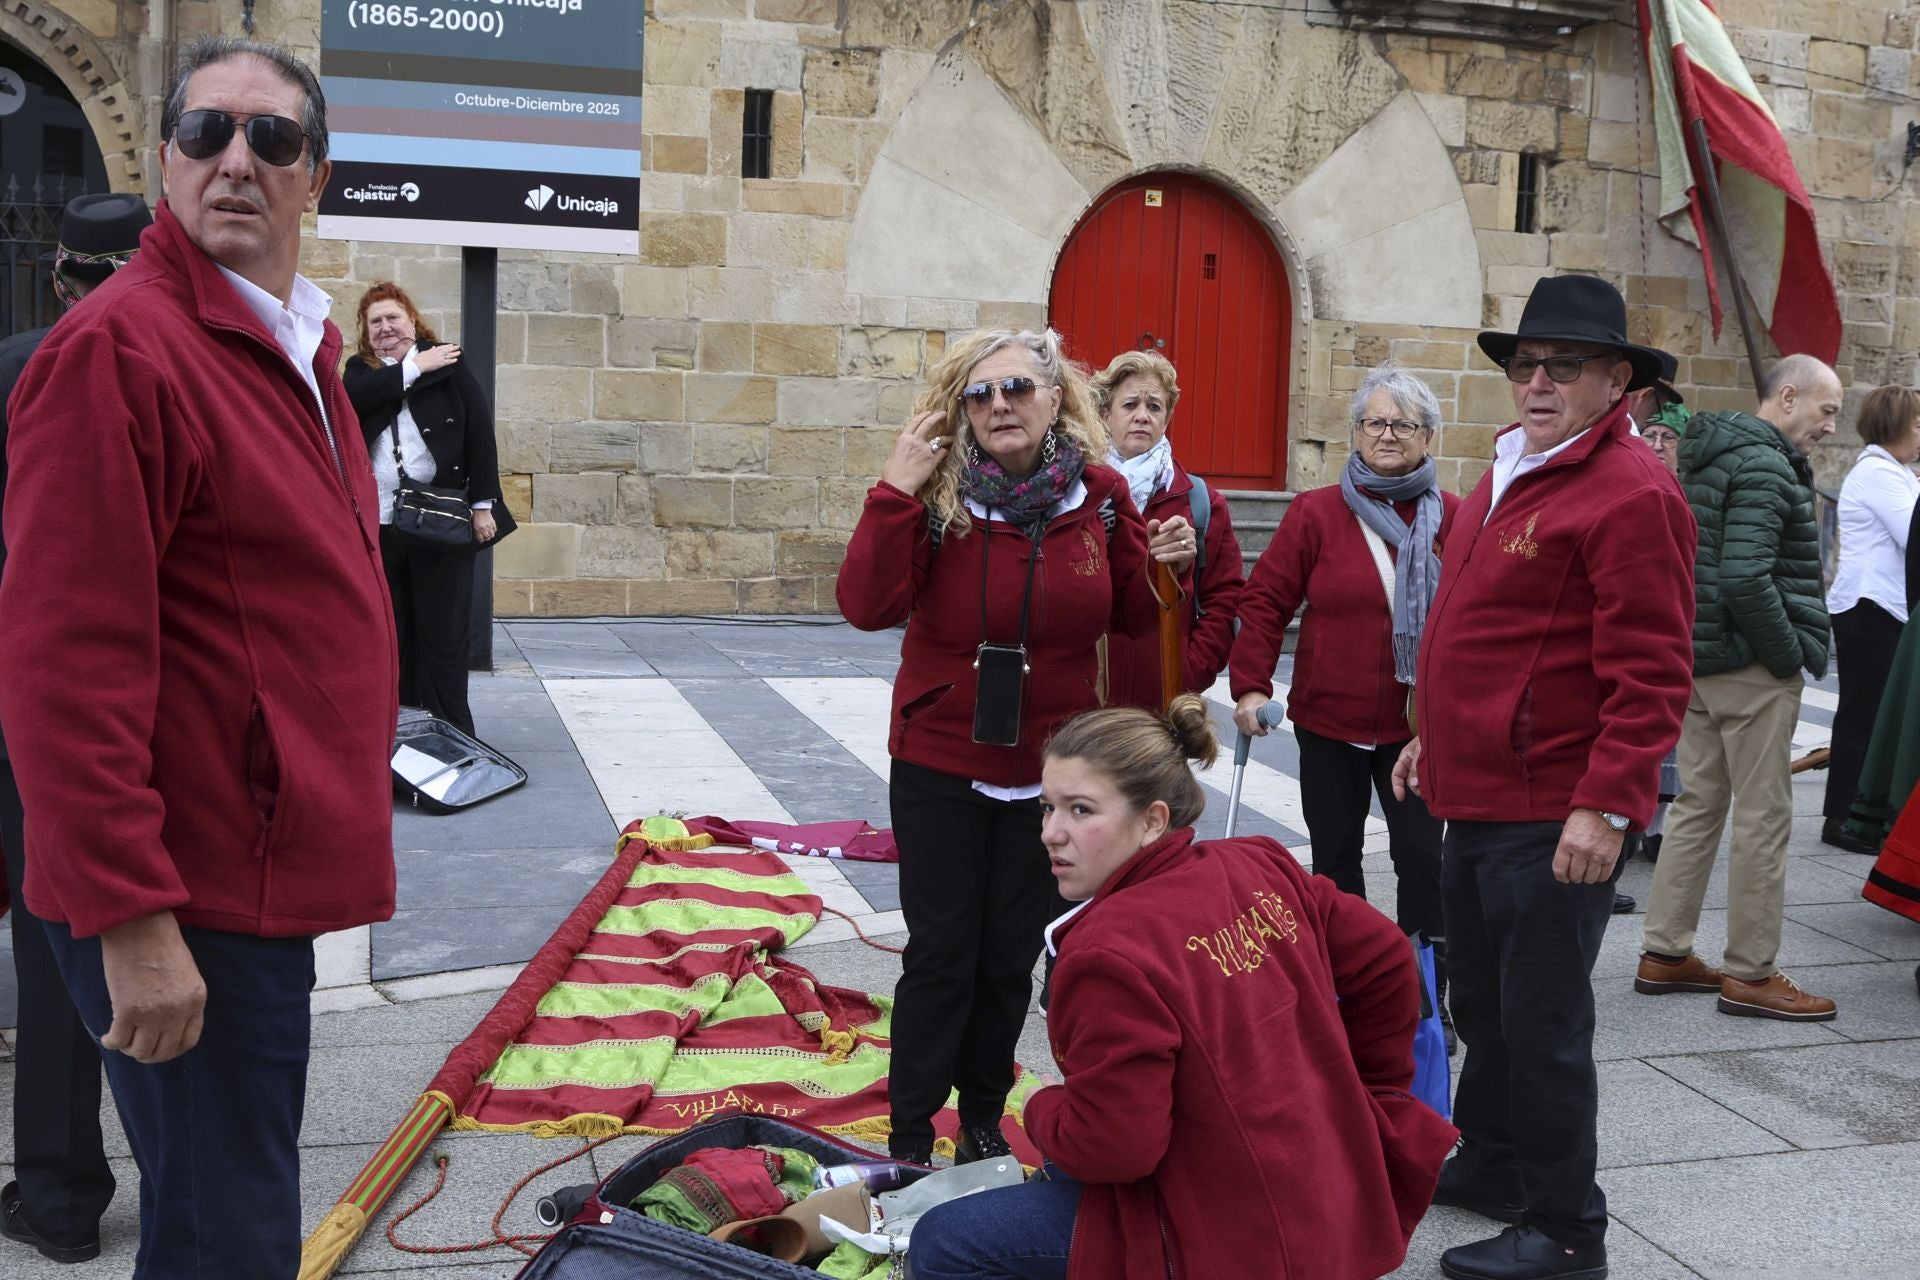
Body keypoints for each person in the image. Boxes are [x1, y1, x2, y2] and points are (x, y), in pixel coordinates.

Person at [0, 37, 397, 1274]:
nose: (238, 160)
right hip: (190, 886)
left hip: (250, 867)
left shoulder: (293, 340)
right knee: (227, 1240)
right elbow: (65, 663)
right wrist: (129, 914)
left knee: (224, 1217)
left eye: (272, 139)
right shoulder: (119, 348)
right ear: (165, 159)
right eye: (206, 133)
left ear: (315, 174)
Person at [908, 696, 1457, 1280]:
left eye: (1081, 810)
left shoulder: (1107, 953)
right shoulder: (1258, 861)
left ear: (1153, 820)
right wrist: (1370, 1096)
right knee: (1065, 1170)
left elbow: (1116, 1146)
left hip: (1234, 1237)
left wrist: (1042, 1109)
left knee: (944, 1241)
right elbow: (1389, 957)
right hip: (1329, 1183)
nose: (1051, 833)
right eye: (1047, 808)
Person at [1391, 274, 1695, 1280]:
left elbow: (1652, 667)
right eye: (1525, 362)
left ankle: (1568, 1228)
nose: (1537, 379)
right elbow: (1480, 626)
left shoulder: (1631, 490)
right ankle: (1496, 1157)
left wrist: (1609, 801)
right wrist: (1431, 731)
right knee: (1483, 997)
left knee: (1544, 1018)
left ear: (1617, 381)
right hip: (1477, 794)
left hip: (1555, 807)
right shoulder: (1515, 465)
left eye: (1565, 365)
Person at [837, 329, 1160, 1168]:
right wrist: (893, 492)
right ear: (961, 411)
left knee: (1010, 954)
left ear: (1056, 400)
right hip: (941, 758)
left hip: (1052, 770)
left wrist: (1171, 566)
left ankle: (982, 1115)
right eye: (980, 394)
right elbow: (865, 606)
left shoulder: (1099, 496)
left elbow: (1135, 614)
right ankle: (910, 1132)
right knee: (942, 953)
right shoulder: (937, 499)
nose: (999, 405)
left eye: (1017, 387)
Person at [0, 190, 150, 1264]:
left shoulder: (21, 358)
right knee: (100, 943)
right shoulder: (195, 355)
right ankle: (79, 1185)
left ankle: (56, 1192)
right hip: (145, 706)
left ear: (60, 274)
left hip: (27, 696)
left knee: (50, 940)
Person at [1228, 362, 1459, 1015]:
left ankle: (1426, 987)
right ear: (1356, 432)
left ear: (1428, 438)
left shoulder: (1456, 519)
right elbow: (1266, 601)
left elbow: (1478, 620)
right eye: (1374, 422)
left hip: (1418, 731)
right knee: (1335, 860)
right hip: (1329, 724)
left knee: (1423, 861)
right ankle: (1350, 983)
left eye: (1403, 425)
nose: (1387, 435)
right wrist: (1248, 687)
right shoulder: (1315, 514)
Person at [1635, 353, 1845, 1024]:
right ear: (1788, 397)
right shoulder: (1762, 465)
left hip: (1703, 658)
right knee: (1762, 819)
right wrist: (1787, 657)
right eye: (1827, 409)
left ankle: (1665, 952)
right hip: (1751, 665)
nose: (1831, 426)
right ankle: (1752, 971)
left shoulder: (1713, 453)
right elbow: (1748, 576)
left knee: (1698, 805)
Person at [345, 280, 512, 737]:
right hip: (381, 523)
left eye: (392, 318)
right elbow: (355, 402)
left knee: (443, 635)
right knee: (392, 634)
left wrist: (483, 507)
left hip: (442, 520)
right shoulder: (361, 372)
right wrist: (413, 367)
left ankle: (453, 731)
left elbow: (479, 435)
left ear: (411, 320)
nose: (384, 328)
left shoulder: (449, 363)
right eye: (374, 322)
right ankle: (400, 730)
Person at [1090, 350, 1243, 708]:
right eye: (1130, 405)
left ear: (1167, 417)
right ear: (1104, 414)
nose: (1142, 416)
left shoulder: (1201, 502)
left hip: (1163, 700)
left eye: (1154, 407)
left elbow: (1225, 598)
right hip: (1083, 702)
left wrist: (1190, 673)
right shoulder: (1076, 493)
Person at [1817, 384, 1920, 852]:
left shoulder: (1895, 472)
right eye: (1917, 424)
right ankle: (1842, 818)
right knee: (1863, 715)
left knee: (1875, 715)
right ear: (1894, 426)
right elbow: (1912, 536)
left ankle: (1861, 814)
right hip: (1870, 606)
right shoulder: (1879, 473)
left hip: (1882, 605)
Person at [1631, 381, 1691, 864]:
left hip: (1681, 625)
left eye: (1667, 439)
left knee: (1669, 736)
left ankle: (1656, 828)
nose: (1657, 446)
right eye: (1649, 435)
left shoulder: (1689, 495)